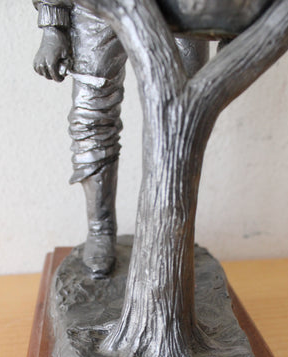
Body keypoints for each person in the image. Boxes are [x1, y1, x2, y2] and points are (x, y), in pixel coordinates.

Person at [33, 1, 209, 276]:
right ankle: (100, 228)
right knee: (91, 118)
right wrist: (53, 22)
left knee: (182, 119)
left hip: (182, 8)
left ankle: (171, 230)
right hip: (95, 7)